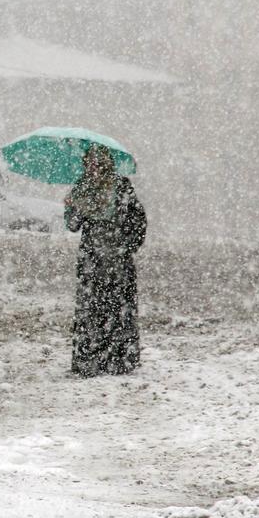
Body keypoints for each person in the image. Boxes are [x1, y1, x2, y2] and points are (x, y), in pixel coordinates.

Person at [64, 144, 147, 377]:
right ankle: (90, 360)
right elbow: (72, 226)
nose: (94, 169)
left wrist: (126, 246)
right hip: (92, 260)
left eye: (99, 164)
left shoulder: (121, 186)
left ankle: (119, 360)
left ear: (107, 164)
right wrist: (73, 208)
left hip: (118, 262)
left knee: (118, 308)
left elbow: (138, 220)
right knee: (92, 309)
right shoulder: (81, 188)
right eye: (90, 164)